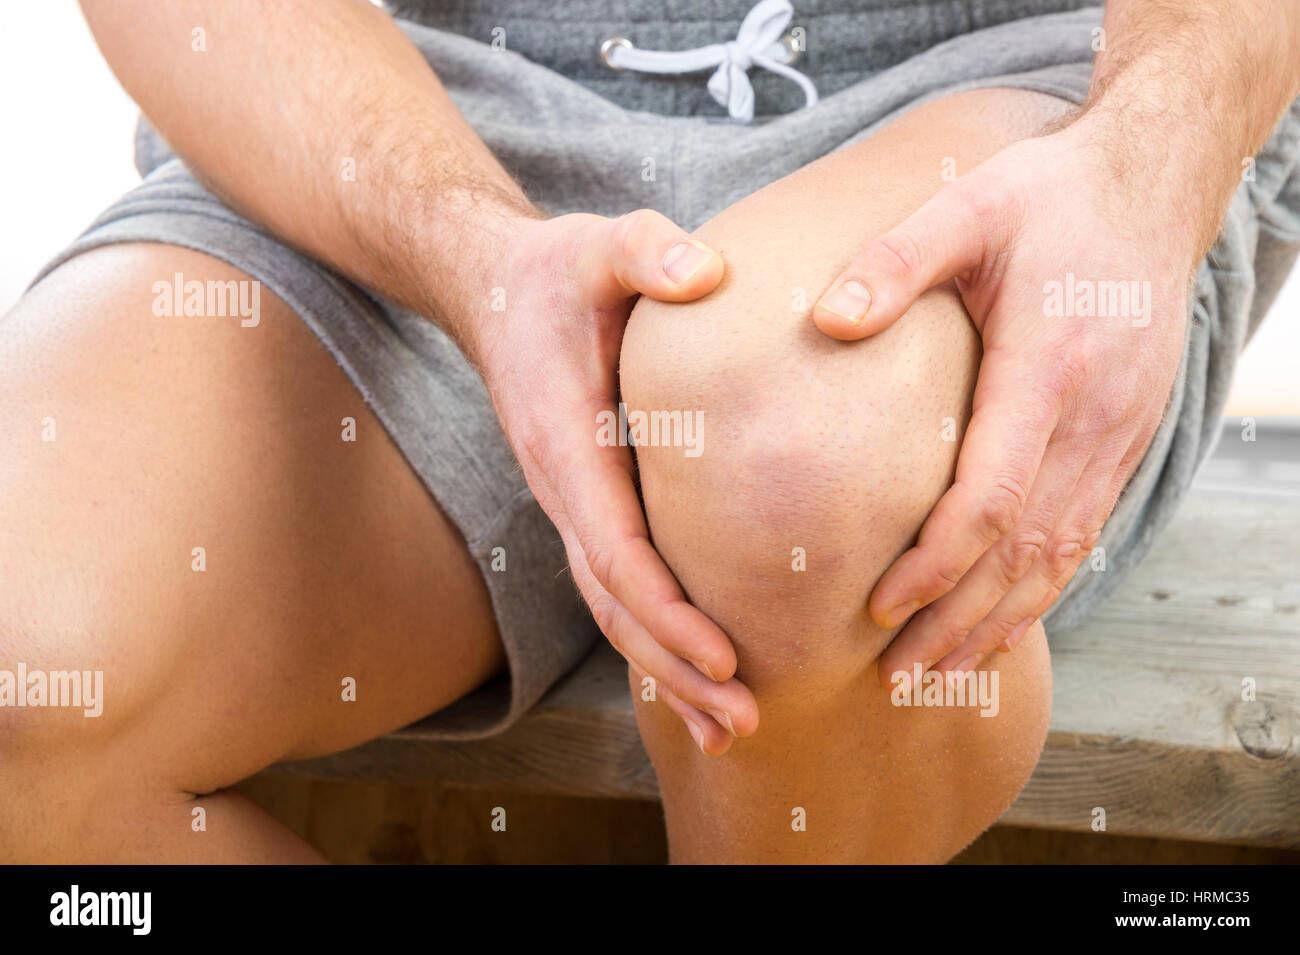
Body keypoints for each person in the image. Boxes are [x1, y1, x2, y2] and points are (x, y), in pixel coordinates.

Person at [2, 0, 1297, 863]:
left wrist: (1146, 157)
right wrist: (468, 249)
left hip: (1034, 89)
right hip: (405, 108)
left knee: (795, 467)